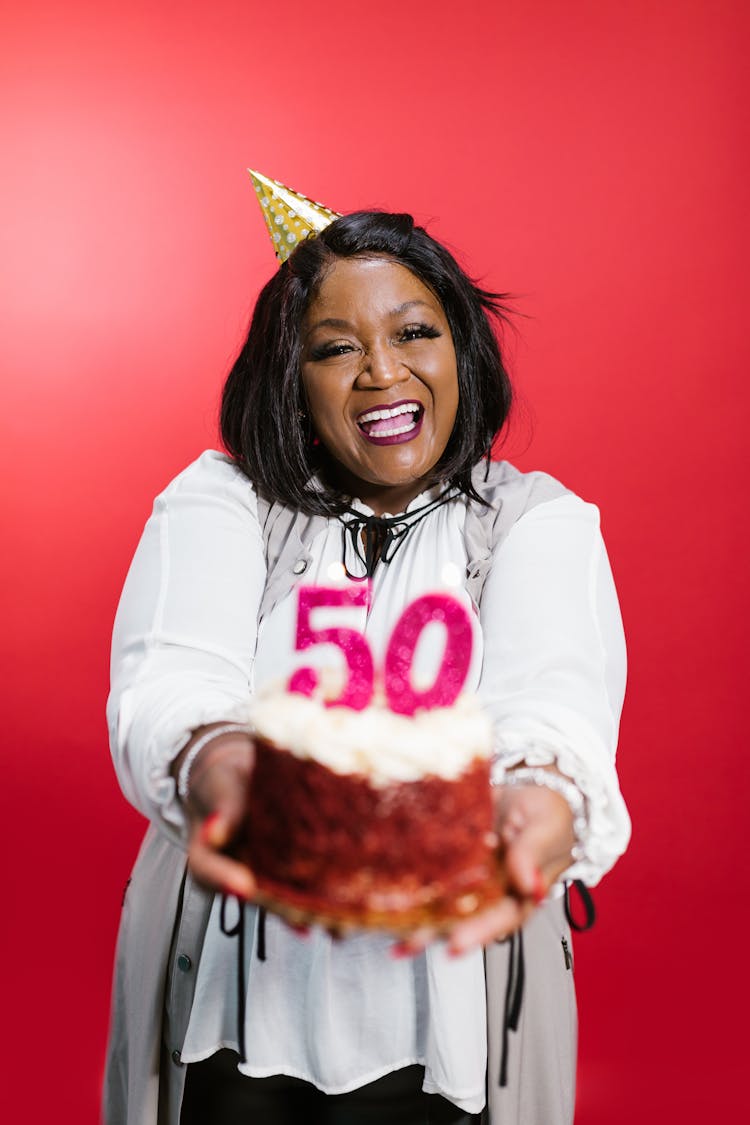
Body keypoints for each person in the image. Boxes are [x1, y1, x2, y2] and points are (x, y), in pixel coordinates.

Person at [104, 186, 630, 1125]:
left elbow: (554, 708)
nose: (382, 373)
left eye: (414, 332)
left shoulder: (533, 524)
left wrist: (536, 807)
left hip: (448, 1032)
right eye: (335, 347)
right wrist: (228, 771)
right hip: (236, 1022)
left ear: (461, 348)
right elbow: (172, 677)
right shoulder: (223, 502)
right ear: (290, 376)